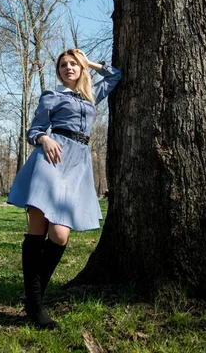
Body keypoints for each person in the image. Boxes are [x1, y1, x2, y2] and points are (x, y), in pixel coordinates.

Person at [7, 49, 121, 329]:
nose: (68, 68)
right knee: (38, 232)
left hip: (77, 165)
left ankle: (33, 297)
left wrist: (88, 61)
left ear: (81, 68)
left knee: (59, 236)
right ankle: (35, 304)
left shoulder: (92, 93)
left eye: (73, 64)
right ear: (57, 71)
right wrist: (44, 139)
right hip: (51, 160)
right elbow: (33, 130)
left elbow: (115, 74)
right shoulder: (52, 96)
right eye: (62, 65)